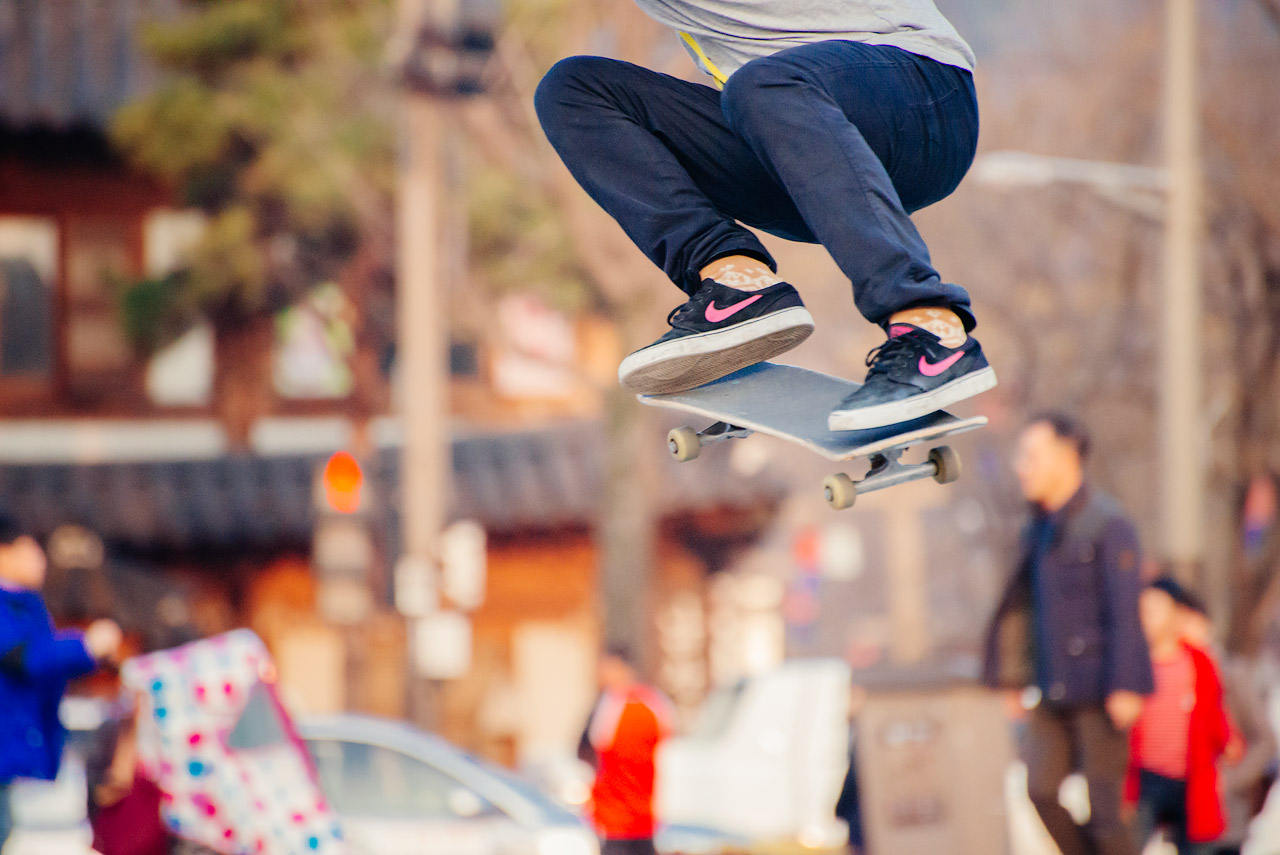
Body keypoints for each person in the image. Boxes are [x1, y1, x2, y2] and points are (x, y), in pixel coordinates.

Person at [534, 0, 996, 430]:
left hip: (918, 98)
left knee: (762, 84)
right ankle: (737, 284)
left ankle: (930, 326)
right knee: (573, 89)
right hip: (786, 143)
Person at [982, 413, 1153, 855]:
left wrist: (1126, 684)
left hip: (1102, 688)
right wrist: (1011, 678)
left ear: (1067, 456)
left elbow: (1126, 612)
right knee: (1039, 791)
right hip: (1052, 690)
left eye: (1031, 456)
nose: (1022, 467)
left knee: (1106, 814)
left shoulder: (1108, 523)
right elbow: (1020, 609)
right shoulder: (1036, 528)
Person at [0, 513, 121, 852]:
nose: (41, 560)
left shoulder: (27, 605)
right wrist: (84, 646)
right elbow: (23, 659)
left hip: (19, 753)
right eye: (31, 549)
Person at [1126, 577, 1230, 855]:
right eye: (1142, 610)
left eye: (1156, 609)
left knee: (1198, 844)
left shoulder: (1199, 662)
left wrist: (1227, 742)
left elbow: (1214, 714)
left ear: (1177, 614)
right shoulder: (1133, 663)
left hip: (1191, 777)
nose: (1147, 618)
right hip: (1144, 777)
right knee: (1128, 842)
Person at [1173, 584, 1276, 855]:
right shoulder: (1168, 677)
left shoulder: (1230, 673)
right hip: (1182, 813)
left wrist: (1228, 781)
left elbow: (1265, 741)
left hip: (1225, 814)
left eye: (1184, 621)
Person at [580, 646, 674, 855]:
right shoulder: (656, 701)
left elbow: (587, 751)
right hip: (646, 815)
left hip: (617, 817)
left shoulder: (610, 703)